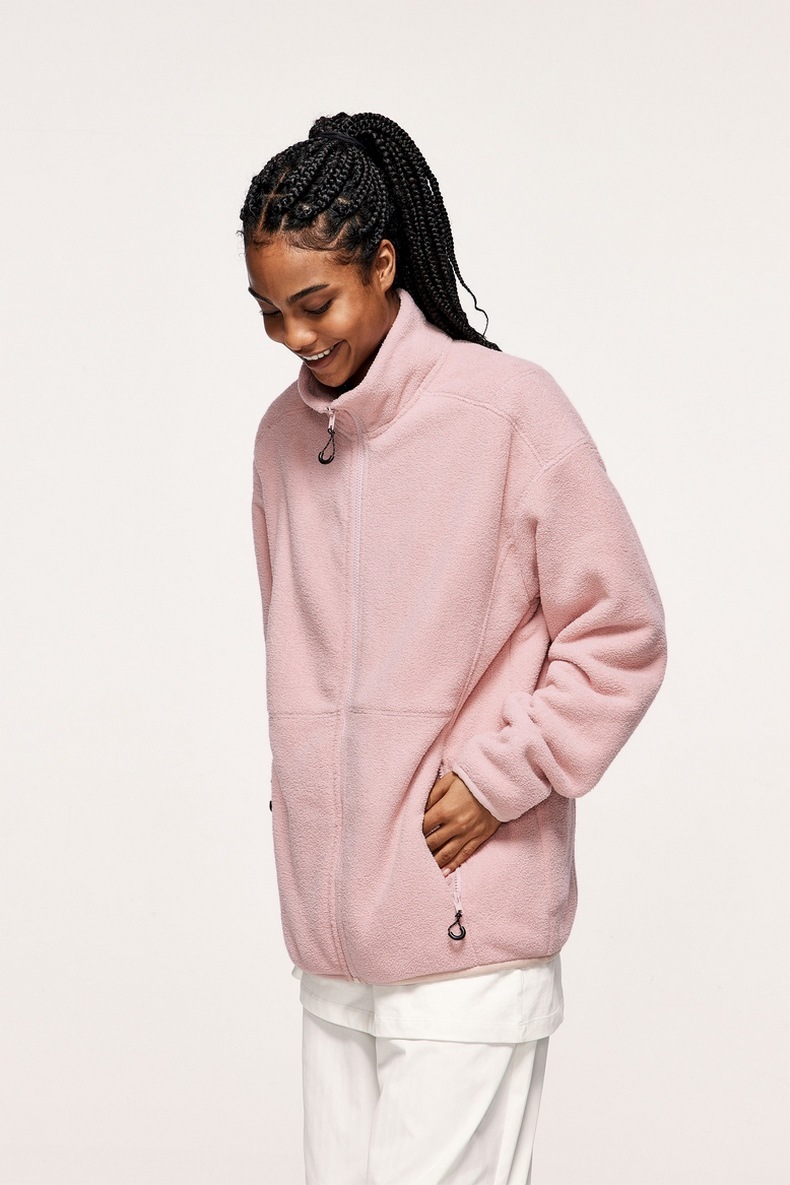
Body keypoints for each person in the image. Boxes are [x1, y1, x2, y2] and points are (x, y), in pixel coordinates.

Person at [241, 112, 667, 1185]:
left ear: (384, 264)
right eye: (269, 311)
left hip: (466, 934)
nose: (293, 337)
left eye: (315, 304)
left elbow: (620, 630)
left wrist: (500, 774)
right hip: (332, 950)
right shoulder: (282, 441)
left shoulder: (508, 411)